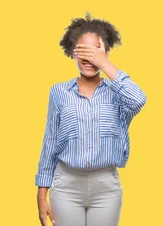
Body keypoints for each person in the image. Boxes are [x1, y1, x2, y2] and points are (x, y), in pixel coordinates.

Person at [35, 13, 147, 226]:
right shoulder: (59, 92)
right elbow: (49, 143)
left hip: (106, 186)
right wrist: (41, 194)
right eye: (83, 51)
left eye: (95, 50)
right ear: (72, 53)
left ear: (105, 52)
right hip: (66, 185)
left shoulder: (118, 93)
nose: (89, 58)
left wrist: (104, 63)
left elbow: (139, 100)